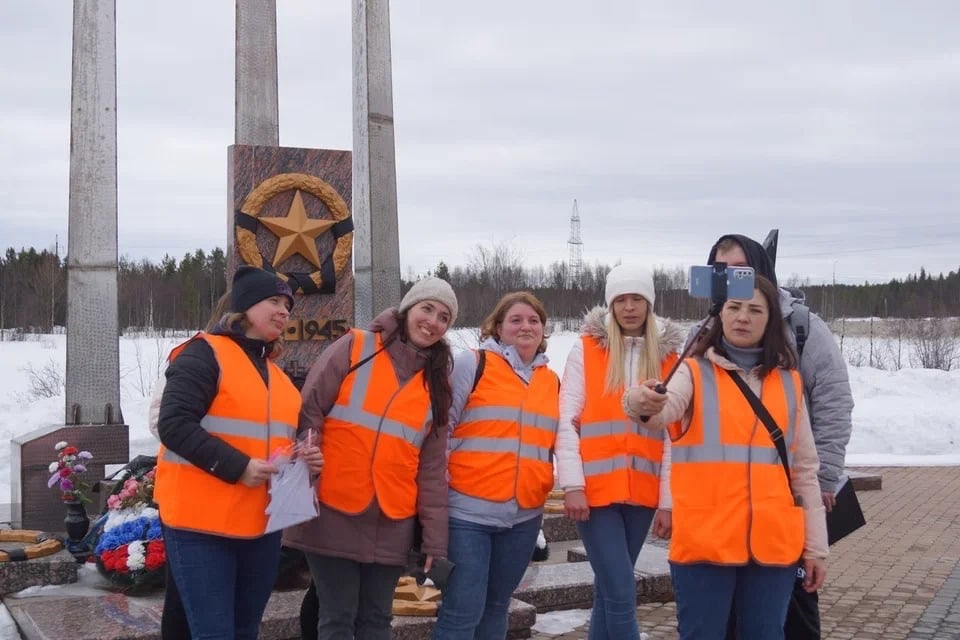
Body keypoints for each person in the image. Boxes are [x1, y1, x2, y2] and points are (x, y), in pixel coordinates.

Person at [624, 275, 828, 639]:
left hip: (774, 548)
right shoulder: (692, 372)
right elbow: (659, 410)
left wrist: (815, 549)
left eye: (755, 310)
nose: (743, 318)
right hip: (706, 544)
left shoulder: (789, 382)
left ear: (770, 319)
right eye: (734, 307)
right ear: (721, 315)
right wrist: (639, 401)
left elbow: (805, 472)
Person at [154, 266, 324, 639]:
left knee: (245, 631)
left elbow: (274, 443)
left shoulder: (278, 377)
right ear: (244, 306)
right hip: (200, 524)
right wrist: (237, 467)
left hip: (260, 526)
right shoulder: (203, 353)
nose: (284, 311)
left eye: (288, 305)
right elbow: (175, 424)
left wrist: (303, 458)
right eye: (274, 301)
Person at [283, 276, 457, 640]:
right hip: (333, 506)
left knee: (377, 619)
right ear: (408, 308)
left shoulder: (438, 382)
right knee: (337, 617)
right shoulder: (356, 346)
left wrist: (435, 543)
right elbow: (310, 409)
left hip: (392, 518)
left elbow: (432, 469)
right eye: (427, 308)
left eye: (444, 317)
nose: (433, 322)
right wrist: (308, 463)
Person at [707, 234, 854, 639]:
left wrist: (823, 479)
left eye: (741, 271)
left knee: (797, 604)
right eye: (722, 273)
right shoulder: (705, 332)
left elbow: (834, 403)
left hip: (785, 498)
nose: (732, 281)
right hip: (725, 507)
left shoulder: (802, 328)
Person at [554, 264, 685, 640]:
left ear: (649, 304)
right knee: (622, 590)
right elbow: (565, 421)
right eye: (621, 300)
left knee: (609, 589)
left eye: (637, 299)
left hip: (641, 495)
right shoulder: (586, 351)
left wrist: (667, 502)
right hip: (594, 495)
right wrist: (572, 485)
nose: (629, 307)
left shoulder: (669, 358)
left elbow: (672, 438)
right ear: (610, 305)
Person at [432, 291, 560, 640]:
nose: (525, 326)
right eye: (515, 320)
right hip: (467, 516)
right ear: (497, 327)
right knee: (462, 610)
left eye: (534, 320)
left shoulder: (551, 380)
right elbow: (441, 431)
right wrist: (436, 499)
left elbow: (552, 443)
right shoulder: (472, 364)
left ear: (544, 329)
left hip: (524, 517)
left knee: (497, 606)